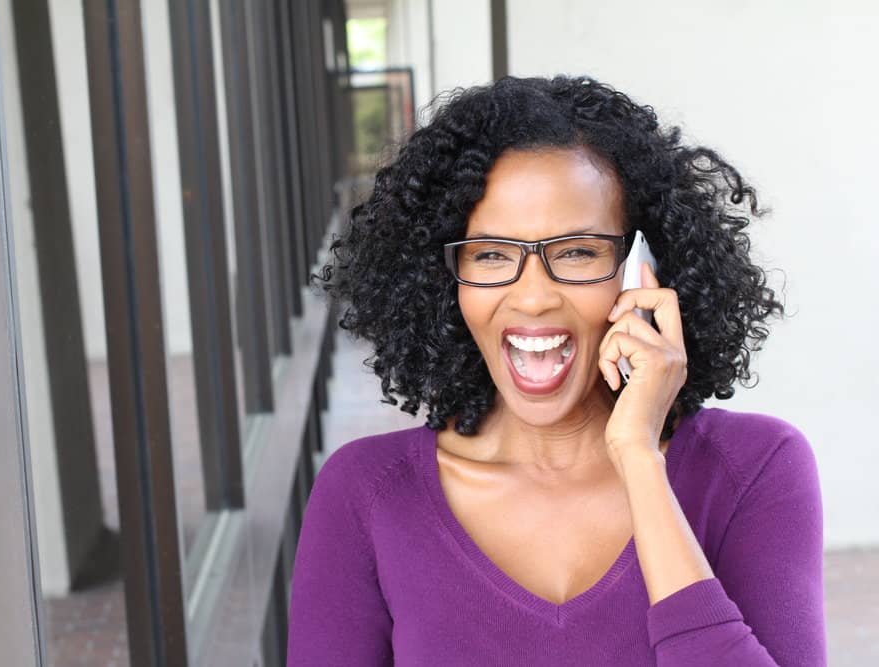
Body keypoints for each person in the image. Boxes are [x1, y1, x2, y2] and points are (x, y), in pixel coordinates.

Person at [287, 75, 825, 666]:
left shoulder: (754, 469)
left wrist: (640, 460)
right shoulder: (367, 494)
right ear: (444, 279)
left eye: (577, 252)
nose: (533, 298)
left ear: (644, 268)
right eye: (491, 254)